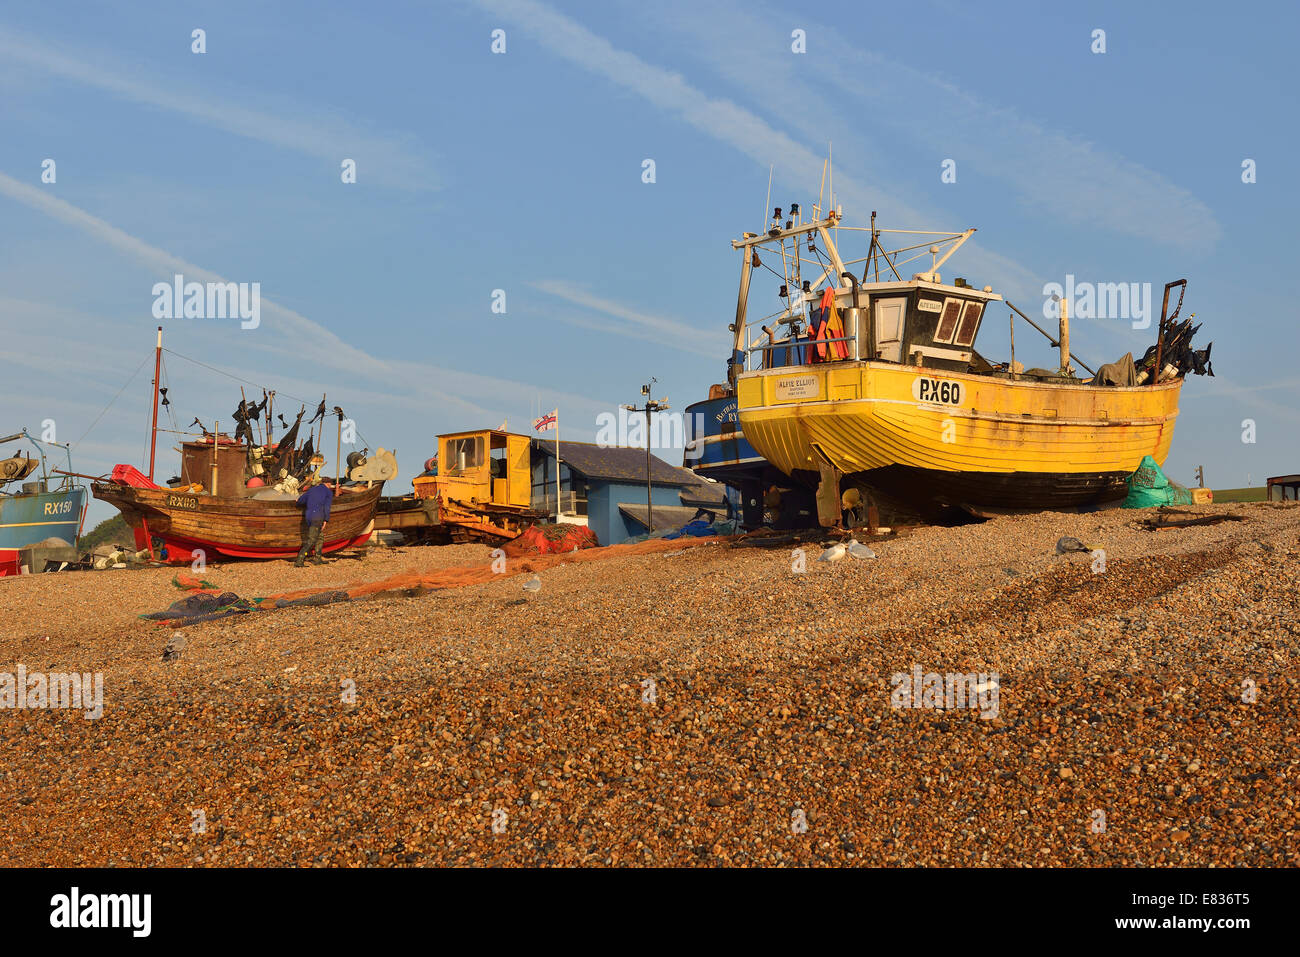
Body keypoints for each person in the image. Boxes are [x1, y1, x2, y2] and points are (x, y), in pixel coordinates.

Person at [294, 478, 334, 566]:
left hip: (309, 516)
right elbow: (327, 507)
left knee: (320, 537)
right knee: (312, 539)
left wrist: (298, 502)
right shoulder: (328, 492)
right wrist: (326, 520)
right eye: (330, 484)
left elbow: (300, 501)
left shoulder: (311, 490)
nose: (330, 486)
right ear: (328, 484)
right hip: (318, 516)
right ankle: (299, 560)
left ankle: (318, 559)